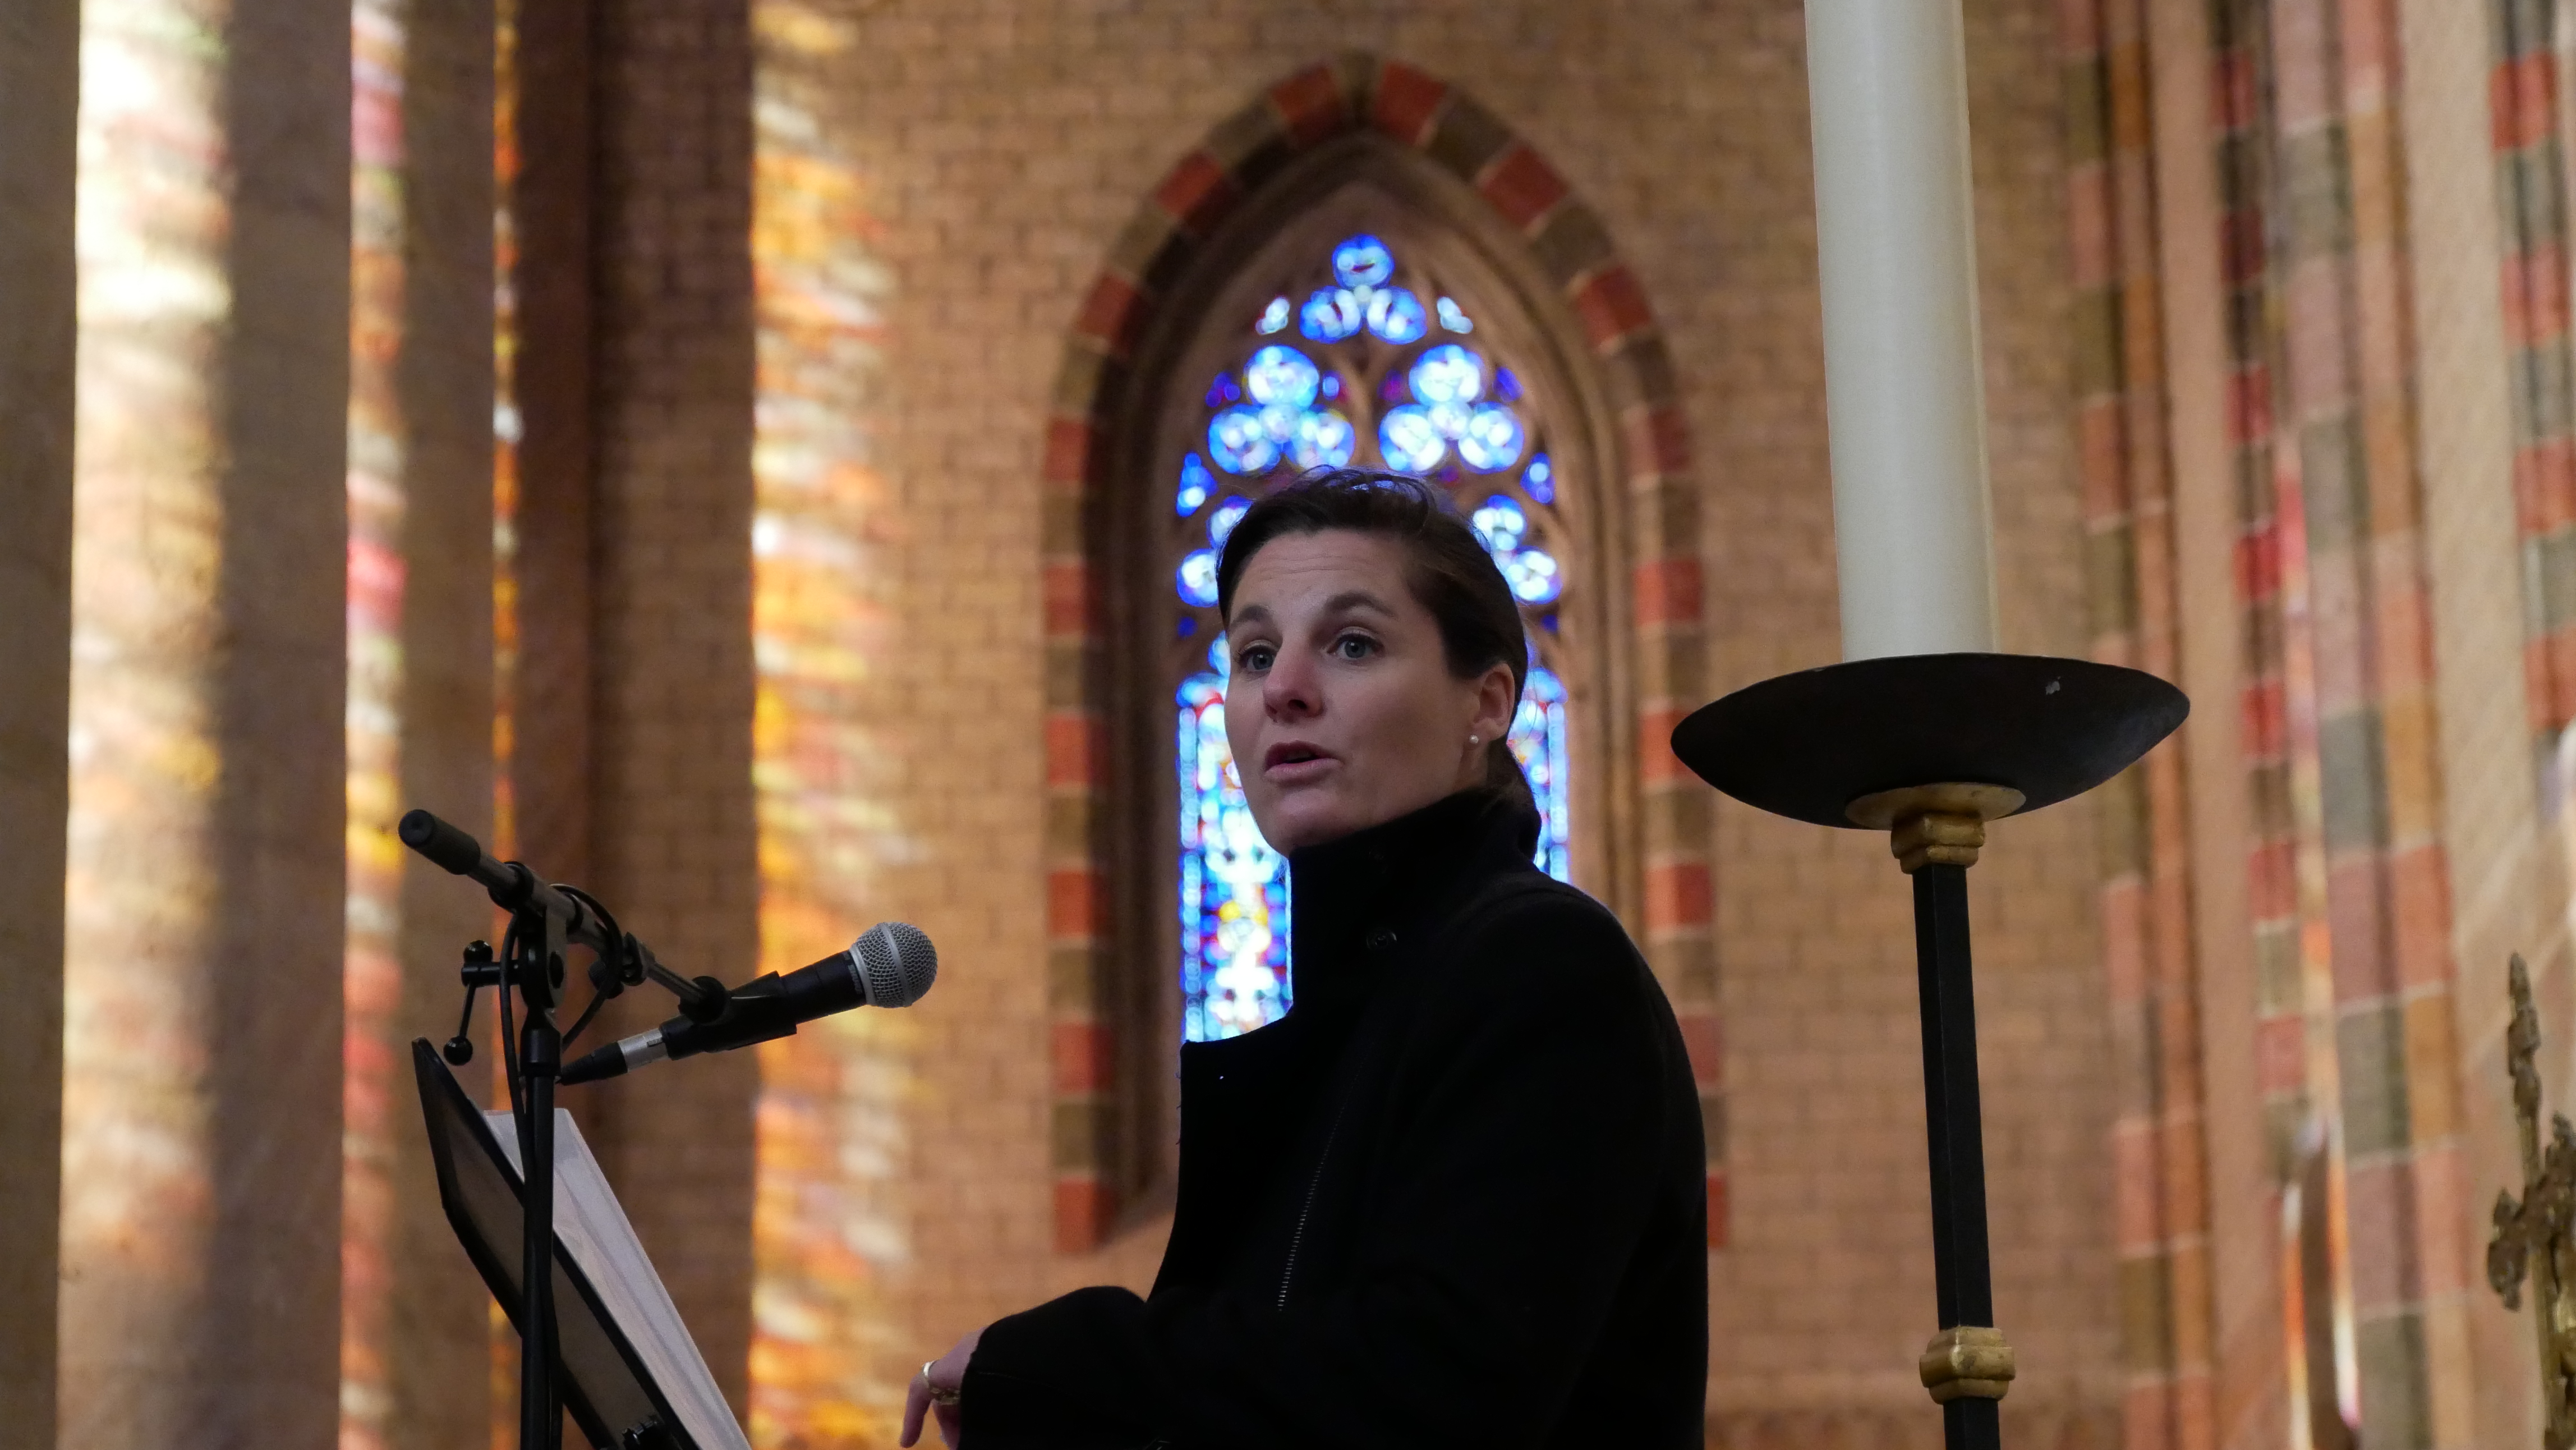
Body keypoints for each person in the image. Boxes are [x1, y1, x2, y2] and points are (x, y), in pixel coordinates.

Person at [901, 468, 1708, 1450]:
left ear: (1488, 702)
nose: (1282, 689)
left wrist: (1064, 1366)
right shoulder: (1364, 1011)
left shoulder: (1542, 964)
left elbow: (1434, 1391)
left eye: (1353, 644)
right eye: (1252, 654)